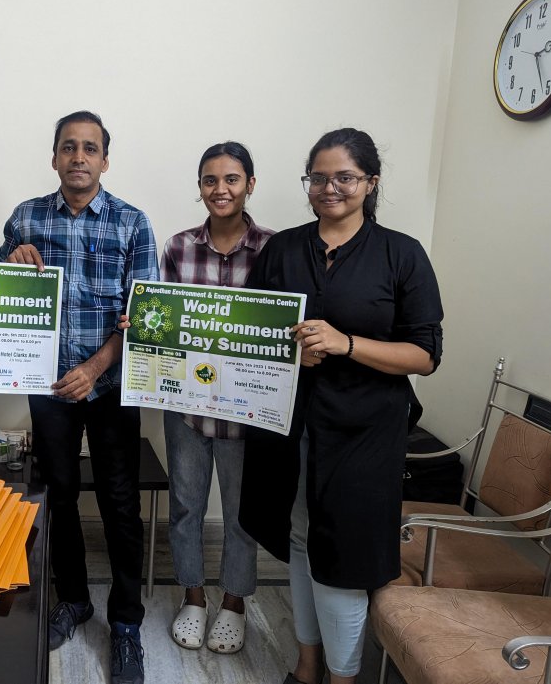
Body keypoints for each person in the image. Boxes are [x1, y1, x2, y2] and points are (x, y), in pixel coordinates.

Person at [238, 128, 444, 684]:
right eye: (319, 178)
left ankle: (343, 676)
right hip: (292, 424)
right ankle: (307, 666)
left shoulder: (402, 253)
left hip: (366, 432)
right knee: (300, 538)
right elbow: (251, 330)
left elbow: (425, 354)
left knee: (343, 556)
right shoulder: (283, 249)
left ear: (370, 182)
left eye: (345, 178)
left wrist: (345, 343)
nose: (330, 188)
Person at [0, 111, 158, 684]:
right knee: (59, 496)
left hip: (110, 386)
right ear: (55, 158)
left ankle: (127, 622)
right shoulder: (27, 217)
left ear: (105, 161)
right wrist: (11, 261)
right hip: (48, 389)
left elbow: (145, 317)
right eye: (69, 147)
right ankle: (73, 600)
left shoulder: (132, 223)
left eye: (90, 148)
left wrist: (93, 368)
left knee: (120, 503)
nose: (79, 157)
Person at [120, 142, 272, 654]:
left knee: (241, 515)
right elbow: (163, 316)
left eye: (231, 179)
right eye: (210, 180)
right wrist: (142, 324)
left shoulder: (275, 248)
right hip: (186, 408)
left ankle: (234, 602)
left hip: (248, 412)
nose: (220, 189)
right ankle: (193, 595)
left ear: (250, 184)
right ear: (200, 187)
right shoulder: (179, 247)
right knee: (186, 507)